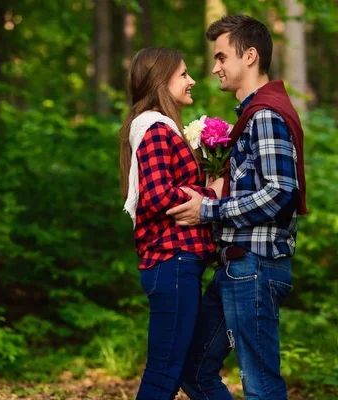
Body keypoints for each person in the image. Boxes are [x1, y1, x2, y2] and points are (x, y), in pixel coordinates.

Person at [166, 15, 308, 400]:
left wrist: (207, 211)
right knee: (194, 371)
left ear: (249, 56)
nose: (215, 68)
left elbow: (281, 192)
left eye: (221, 57)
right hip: (235, 266)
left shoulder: (265, 114)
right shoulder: (252, 114)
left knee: (260, 387)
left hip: (255, 265)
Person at [118, 47, 220, 399]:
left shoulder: (162, 128)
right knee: (164, 373)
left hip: (177, 262)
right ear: (162, 81)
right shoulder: (154, 128)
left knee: (178, 370)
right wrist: (210, 198)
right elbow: (158, 195)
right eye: (184, 75)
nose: (192, 81)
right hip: (170, 260)